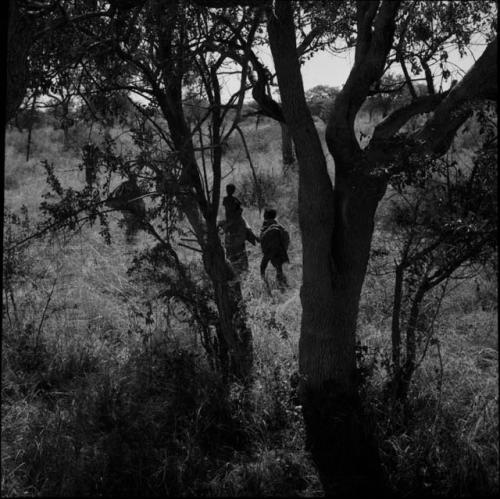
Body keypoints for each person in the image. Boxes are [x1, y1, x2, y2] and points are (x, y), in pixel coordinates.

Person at [219, 184, 258, 273]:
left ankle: (242, 269)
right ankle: (235, 269)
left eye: (229, 189)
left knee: (238, 249)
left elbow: (237, 212)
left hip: (235, 227)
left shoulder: (232, 202)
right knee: (232, 250)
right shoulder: (229, 200)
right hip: (232, 227)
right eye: (227, 189)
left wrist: (229, 222)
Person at [260, 207, 290, 289]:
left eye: (264, 214)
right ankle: (282, 286)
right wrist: (284, 248)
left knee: (262, 267)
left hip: (270, 251)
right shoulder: (279, 226)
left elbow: (263, 239)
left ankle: (264, 284)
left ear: (266, 215)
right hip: (280, 250)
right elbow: (286, 237)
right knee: (278, 268)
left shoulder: (267, 226)